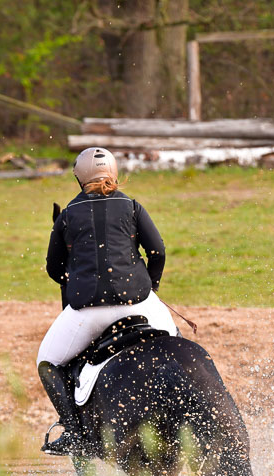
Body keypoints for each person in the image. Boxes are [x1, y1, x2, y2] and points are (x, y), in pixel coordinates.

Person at [37, 146, 177, 456]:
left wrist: (77, 277)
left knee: (46, 362)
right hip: (140, 304)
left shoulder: (67, 215)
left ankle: (73, 432)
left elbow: (53, 268)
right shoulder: (132, 206)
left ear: (79, 178)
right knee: (177, 345)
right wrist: (150, 288)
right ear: (113, 174)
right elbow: (158, 252)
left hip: (90, 313)